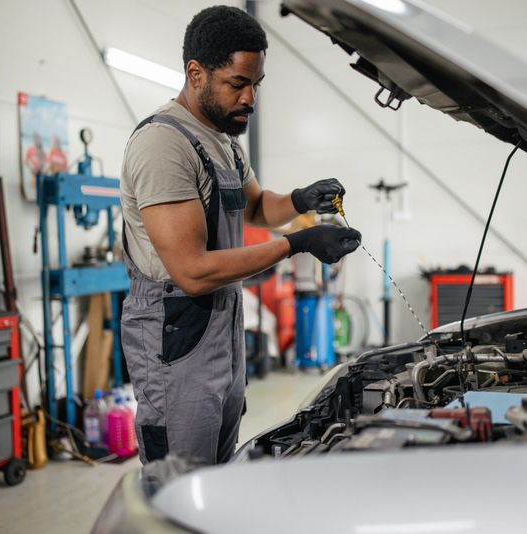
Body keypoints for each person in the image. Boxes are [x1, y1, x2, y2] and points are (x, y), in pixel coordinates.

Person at [119, 5, 361, 465]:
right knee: (181, 477)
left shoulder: (222, 140)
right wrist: (298, 244)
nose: (251, 97)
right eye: (238, 84)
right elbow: (191, 271)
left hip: (220, 328)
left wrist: (302, 200)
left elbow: (253, 207)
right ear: (196, 74)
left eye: (256, 84)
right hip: (177, 331)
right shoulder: (163, 144)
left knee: (218, 468)